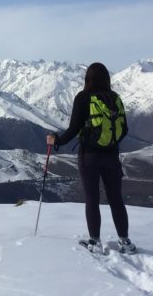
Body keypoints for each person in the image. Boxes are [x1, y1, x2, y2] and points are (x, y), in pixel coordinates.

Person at [46, 62, 136, 254]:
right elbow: (124, 129)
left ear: (88, 78)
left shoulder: (83, 97)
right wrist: (111, 143)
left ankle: (95, 242)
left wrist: (56, 140)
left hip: (89, 156)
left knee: (92, 199)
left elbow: (74, 128)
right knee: (116, 199)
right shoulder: (115, 98)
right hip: (111, 156)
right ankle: (125, 242)